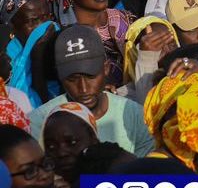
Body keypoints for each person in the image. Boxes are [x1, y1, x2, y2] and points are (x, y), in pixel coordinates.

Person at [27, 25, 153, 155]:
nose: (84, 88)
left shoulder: (136, 117)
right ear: (59, 75)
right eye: (72, 79)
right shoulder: (38, 123)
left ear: (106, 69)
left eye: (90, 76)